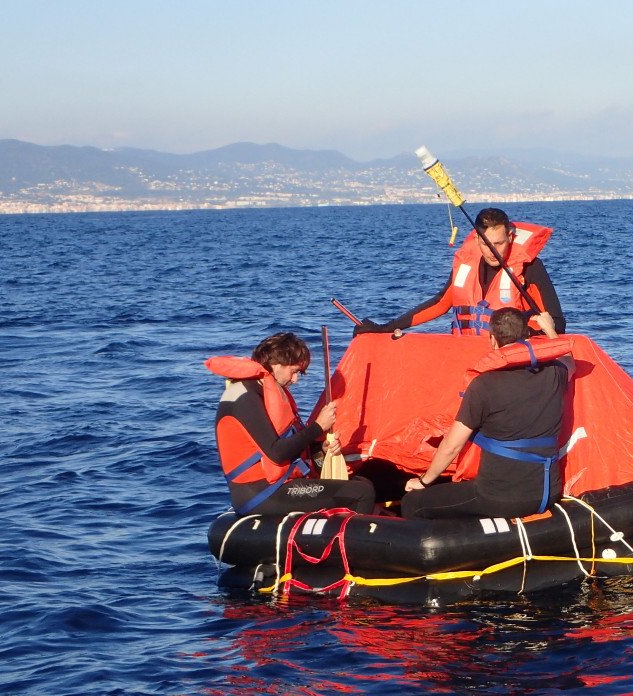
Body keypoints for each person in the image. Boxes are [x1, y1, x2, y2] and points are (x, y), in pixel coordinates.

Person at [401, 308, 572, 520]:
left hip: (498, 497)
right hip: (548, 493)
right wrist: (549, 330)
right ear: (528, 335)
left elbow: (451, 447)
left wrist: (423, 481)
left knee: (412, 503)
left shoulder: (483, 385)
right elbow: (568, 359)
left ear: (492, 340)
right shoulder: (554, 373)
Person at [206, 332, 375, 516]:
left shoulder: (270, 392)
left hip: (281, 484)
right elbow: (277, 453)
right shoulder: (243, 397)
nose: (295, 380)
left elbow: (295, 450)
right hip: (260, 494)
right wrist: (318, 426)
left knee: (364, 482)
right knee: (360, 494)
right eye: (294, 372)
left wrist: (322, 451)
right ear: (275, 364)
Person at [354, 207, 566, 338]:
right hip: (466, 350)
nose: (493, 251)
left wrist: (516, 336)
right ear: (476, 240)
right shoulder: (467, 264)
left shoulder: (530, 267)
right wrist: (386, 328)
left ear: (510, 237)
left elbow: (557, 322)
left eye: (499, 243)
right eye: (486, 244)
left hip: (510, 359)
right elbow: (441, 303)